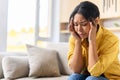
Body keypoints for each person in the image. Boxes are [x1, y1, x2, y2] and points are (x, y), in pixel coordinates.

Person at [67, 1, 120, 80]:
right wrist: (78, 41)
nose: (79, 29)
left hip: (110, 78)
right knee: (73, 78)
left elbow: (95, 72)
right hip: (88, 75)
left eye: (84, 24)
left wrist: (92, 40)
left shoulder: (112, 40)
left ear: (96, 21)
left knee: (92, 79)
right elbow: (76, 70)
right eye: (76, 24)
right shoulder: (75, 37)